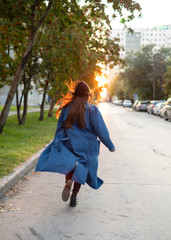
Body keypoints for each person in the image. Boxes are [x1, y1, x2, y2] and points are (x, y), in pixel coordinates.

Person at [35, 80, 115, 207]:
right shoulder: (92, 110)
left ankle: (68, 181)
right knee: (81, 170)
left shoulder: (67, 109)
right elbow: (102, 131)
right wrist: (110, 145)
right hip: (87, 148)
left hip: (70, 144)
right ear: (87, 95)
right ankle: (74, 196)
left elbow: (60, 128)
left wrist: (57, 142)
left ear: (75, 94)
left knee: (71, 166)